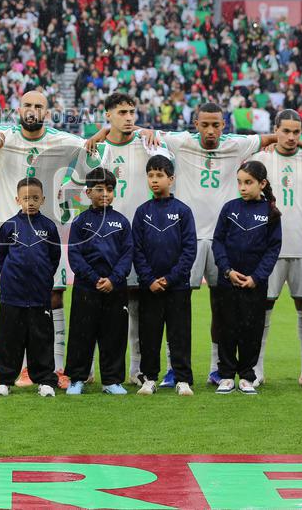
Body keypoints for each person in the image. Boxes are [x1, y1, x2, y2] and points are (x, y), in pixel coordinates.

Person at [150, 102, 302, 384]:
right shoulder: (180, 141)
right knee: (178, 306)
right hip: (189, 238)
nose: (210, 130)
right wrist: (100, 134)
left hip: (226, 242)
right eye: (204, 124)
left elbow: (277, 137)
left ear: (224, 125)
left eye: (216, 124)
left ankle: (218, 368)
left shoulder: (240, 145)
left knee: (224, 309)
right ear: (195, 124)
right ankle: (174, 369)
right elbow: (141, 131)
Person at [0, 91, 85, 389]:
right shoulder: (2, 136)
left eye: (38, 106)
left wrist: (71, 186)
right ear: (18, 109)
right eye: (27, 105)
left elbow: (91, 153)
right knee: (12, 306)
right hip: (11, 233)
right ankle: (13, 370)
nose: (32, 110)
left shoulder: (63, 140)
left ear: (47, 111)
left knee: (53, 297)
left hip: (48, 232)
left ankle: (52, 368)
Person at [74, 92, 163, 387]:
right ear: (108, 115)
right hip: (102, 239)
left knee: (134, 307)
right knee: (94, 311)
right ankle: (85, 369)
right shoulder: (94, 149)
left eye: (132, 112)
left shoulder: (148, 142)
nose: (129, 118)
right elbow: (76, 184)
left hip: (137, 236)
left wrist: (145, 131)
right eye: (122, 113)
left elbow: (174, 145)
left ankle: (135, 369)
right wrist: (99, 135)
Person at [251, 109, 302, 385]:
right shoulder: (261, 159)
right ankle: (256, 369)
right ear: (276, 130)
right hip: (269, 248)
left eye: (297, 132)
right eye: (286, 131)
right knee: (264, 309)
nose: (291, 137)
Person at [211, 160, 283, 395]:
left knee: (251, 329)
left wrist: (257, 277)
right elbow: (218, 242)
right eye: (240, 182)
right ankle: (226, 376)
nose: (243, 187)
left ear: (262, 184)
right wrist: (227, 271)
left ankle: (247, 376)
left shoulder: (270, 213)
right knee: (227, 328)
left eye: (248, 182)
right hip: (228, 281)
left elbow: (273, 249)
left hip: (254, 284)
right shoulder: (229, 208)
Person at [131, 155, 198, 396]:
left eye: (160, 176)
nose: (154, 180)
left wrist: (170, 279)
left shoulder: (183, 211)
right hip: (149, 287)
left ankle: (182, 379)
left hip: (177, 286)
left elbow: (190, 250)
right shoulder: (142, 212)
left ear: (171, 179)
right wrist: (149, 279)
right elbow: (136, 250)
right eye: (150, 175)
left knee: (179, 333)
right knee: (149, 334)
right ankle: (149, 378)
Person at [65, 167, 134, 396]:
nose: (105, 193)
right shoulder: (80, 222)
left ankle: (112, 381)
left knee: (114, 335)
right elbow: (74, 255)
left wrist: (113, 279)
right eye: (99, 189)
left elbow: (127, 254)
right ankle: (77, 379)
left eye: (109, 189)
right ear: (87, 193)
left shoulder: (122, 222)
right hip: (87, 288)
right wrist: (95, 279)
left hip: (115, 289)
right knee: (81, 334)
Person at [0, 177, 61, 398]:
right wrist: (12, 278)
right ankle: (3, 380)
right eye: (25, 198)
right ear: (17, 200)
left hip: (39, 295)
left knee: (41, 339)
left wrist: (41, 278)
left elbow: (54, 257)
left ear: (42, 199)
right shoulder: (9, 226)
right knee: (9, 339)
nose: (30, 202)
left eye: (35, 198)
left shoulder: (49, 227)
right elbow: (1, 256)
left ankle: (45, 380)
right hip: (12, 295)